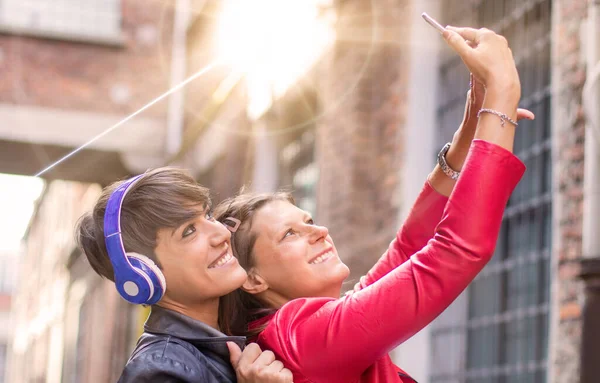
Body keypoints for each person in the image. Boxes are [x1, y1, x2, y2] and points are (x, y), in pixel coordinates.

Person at [213, 26, 531, 383]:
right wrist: (502, 94)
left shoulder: (304, 330)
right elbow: (453, 252)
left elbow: (408, 251)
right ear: (253, 279)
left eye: (309, 220)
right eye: (290, 234)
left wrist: (465, 141)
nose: (318, 232)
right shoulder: (298, 337)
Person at [76, 168, 293, 383]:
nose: (223, 233)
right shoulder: (161, 373)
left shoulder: (225, 339)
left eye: (208, 214)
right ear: (144, 275)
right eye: (189, 231)